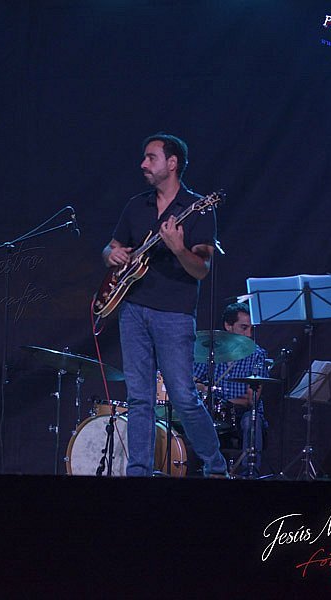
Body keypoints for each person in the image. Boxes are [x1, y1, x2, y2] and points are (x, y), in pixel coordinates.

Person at [102, 133, 228, 477]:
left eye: (151, 158)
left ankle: (216, 467)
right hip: (132, 309)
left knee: (183, 395)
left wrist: (177, 248)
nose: (143, 164)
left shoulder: (198, 208)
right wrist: (111, 255)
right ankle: (138, 472)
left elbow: (201, 269)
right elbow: (111, 247)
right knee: (139, 398)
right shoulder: (136, 205)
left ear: (172, 163)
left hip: (174, 313)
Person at [193, 302, 268, 476]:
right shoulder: (211, 351)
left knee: (252, 421)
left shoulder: (257, 354)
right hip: (213, 411)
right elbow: (192, 380)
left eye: (251, 329)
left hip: (242, 414)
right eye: (244, 328)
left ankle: (250, 474)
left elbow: (251, 400)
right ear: (228, 326)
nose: (249, 334)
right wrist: (204, 388)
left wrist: (224, 401)